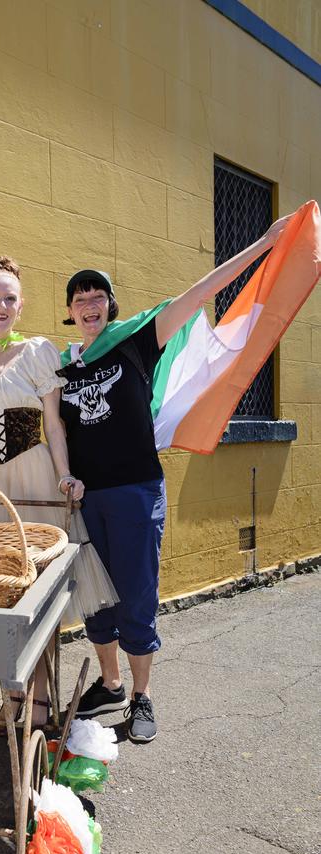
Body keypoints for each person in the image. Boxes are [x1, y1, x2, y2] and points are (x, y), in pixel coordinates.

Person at [59, 214, 291, 743]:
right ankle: (112, 683)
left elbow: (198, 293)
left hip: (136, 491)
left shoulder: (135, 342)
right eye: (79, 299)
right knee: (97, 599)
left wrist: (261, 244)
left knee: (137, 596)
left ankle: (141, 697)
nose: (89, 304)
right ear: (70, 313)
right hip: (87, 500)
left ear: (109, 306)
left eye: (97, 296)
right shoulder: (64, 367)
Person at [0, 256, 118, 726]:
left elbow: (55, 427)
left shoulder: (38, 351)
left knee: (35, 595)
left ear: (21, 307)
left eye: (10, 298)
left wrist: (64, 476)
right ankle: (11, 700)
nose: (2, 305)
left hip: (34, 481)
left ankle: (39, 703)